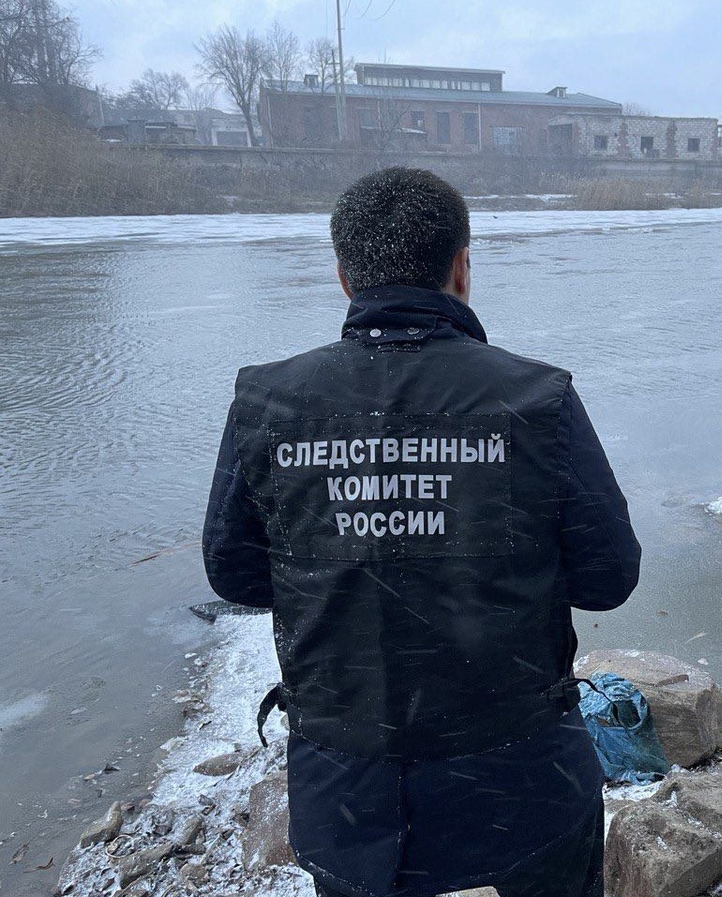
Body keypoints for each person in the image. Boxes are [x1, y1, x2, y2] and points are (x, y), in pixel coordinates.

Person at [202, 167, 641, 897]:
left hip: (349, 792)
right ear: (461, 269)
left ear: (344, 277)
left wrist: (356, 551)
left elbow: (237, 573)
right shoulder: (536, 398)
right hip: (520, 784)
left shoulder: (269, 400)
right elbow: (607, 577)